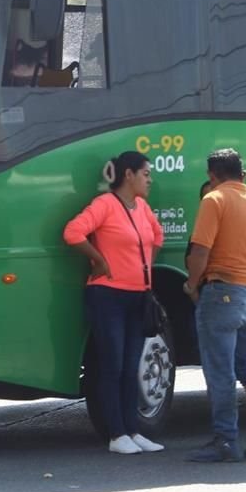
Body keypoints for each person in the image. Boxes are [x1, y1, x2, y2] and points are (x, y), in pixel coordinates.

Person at [63, 151, 165, 454]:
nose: (150, 179)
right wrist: (98, 259)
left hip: (138, 296)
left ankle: (133, 431)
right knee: (113, 364)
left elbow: (157, 237)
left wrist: (143, 266)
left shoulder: (143, 207)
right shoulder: (105, 205)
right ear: (128, 175)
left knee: (132, 365)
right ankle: (116, 433)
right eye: (145, 173)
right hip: (108, 296)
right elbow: (72, 232)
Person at [184, 149, 246, 461]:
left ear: (213, 175)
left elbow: (200, 251)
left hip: (221, 293)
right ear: (242, 172)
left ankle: (225, 440)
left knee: (220, 371)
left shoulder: (214, 200)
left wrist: (191, 283)